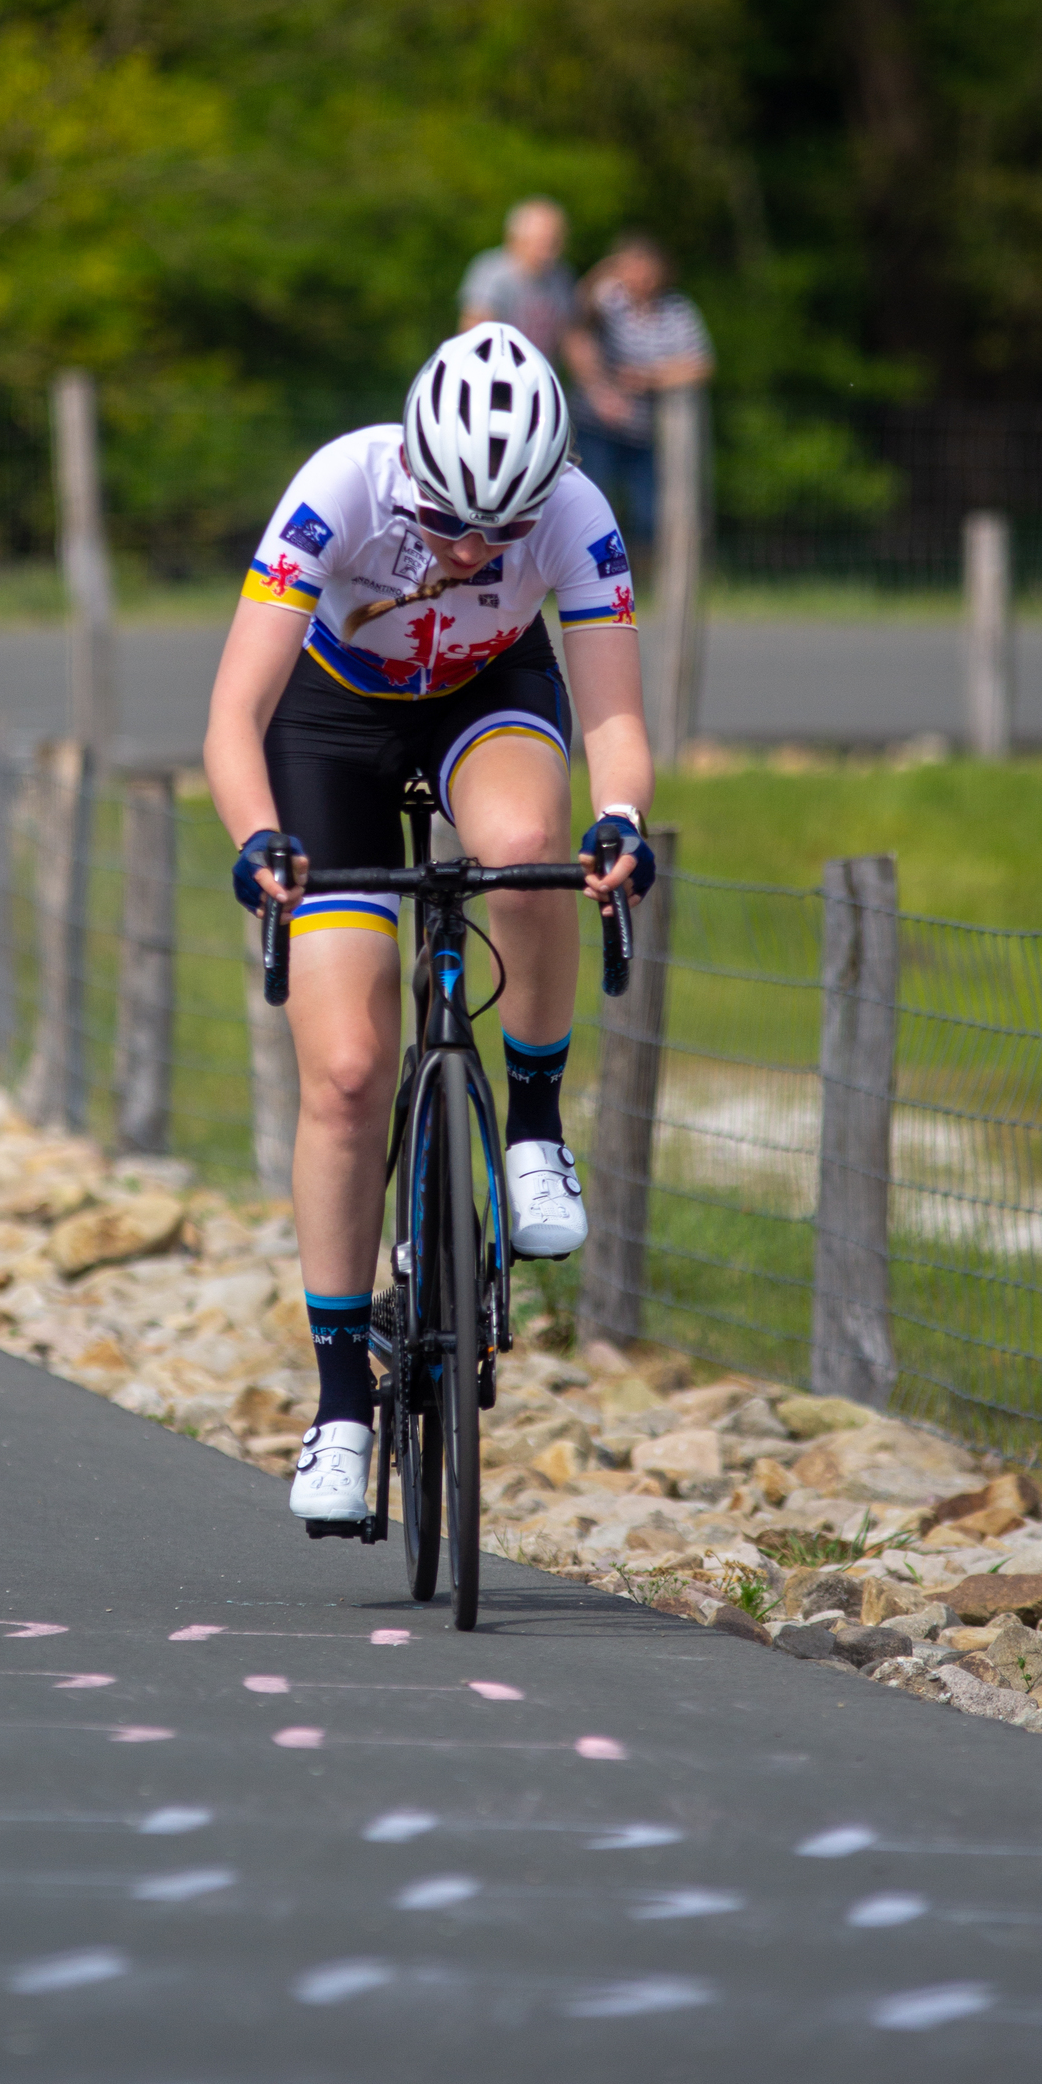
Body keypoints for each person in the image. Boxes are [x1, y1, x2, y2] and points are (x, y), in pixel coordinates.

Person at [203, 324, 655, 1526]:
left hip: (485, 701)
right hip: (333, 726)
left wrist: (619, 818)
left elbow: (612, 716)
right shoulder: (337, 488)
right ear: (413, 464)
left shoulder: (577, 509)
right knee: (346, 1074)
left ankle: (534, 1126)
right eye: (451, 522)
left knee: (525, 854)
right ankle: (342, 1405)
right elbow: (233, 716)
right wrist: (259, 840)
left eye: (501, 535)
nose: (469, 551)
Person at [563, 231, 712, 568]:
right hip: (597, 426)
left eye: (647, 269)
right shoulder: (607, 302)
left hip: (646, 432)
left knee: (651, 514)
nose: (640, 277)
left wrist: (648, 377)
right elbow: (576, 318)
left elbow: (699, 365)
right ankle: (584, 572)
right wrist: (606, 270)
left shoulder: (677, 310)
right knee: (589, 506)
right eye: (632, 268)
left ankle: (641, 577)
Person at [458, 198, 578, 366]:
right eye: (541, 242)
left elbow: (571, 338)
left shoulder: (561, 277)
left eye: (554, 242)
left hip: (538, 376)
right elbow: (476, 333)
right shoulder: (492, 272)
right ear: (515, 239)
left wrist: (599, 385)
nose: (548, 251)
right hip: (497, 373)